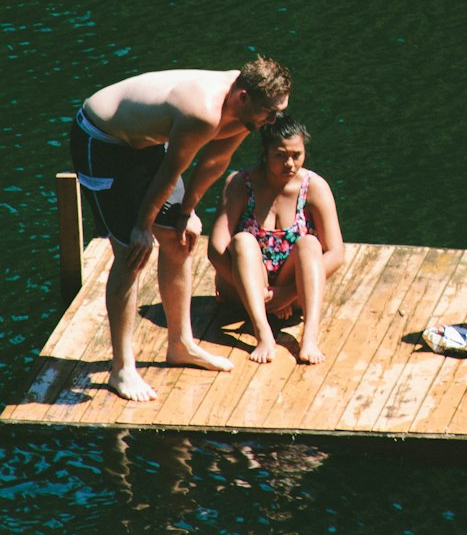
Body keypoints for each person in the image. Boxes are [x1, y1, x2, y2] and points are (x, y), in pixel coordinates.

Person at [68, 58, 292, 402]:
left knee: (180, 239)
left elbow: (215, 161)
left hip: (146, 143)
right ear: (244, 97)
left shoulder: (244, 108)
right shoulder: (202, 111)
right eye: (270, 113)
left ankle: (181, 343)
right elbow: (173, 169)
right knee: (132, 251)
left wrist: (187, 211)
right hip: (102, 140)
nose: (273, 121)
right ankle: (121, 369)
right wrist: (142, 226)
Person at [209, 116, 344, 365]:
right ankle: (262, 332)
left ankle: (310, 337)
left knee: (310, 244)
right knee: (242, 241)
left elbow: (336, 252)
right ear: (265, 152)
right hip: (243, 287)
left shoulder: (314, 187)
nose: (289, 164)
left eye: (296, 155)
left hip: (293, 290)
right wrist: (258, 292)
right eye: (280, 155)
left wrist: (287, 293)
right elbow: (216, 249)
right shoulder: (240, 183)